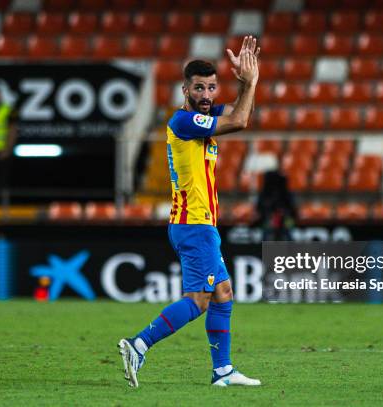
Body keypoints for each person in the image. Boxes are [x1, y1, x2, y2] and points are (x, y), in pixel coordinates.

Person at [118, 36, 261, 388]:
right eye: (200, 88)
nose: (207, 95)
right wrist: (252, 83)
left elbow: (239, 112)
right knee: (198, 300)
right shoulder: (183, 122)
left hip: (200, 224)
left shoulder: (204, 115)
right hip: (193, 224)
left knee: (223, 292)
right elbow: (240, 122)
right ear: (185, 89)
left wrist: (244, 86)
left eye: (212, 87)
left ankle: (223, 371)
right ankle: (138, 345)